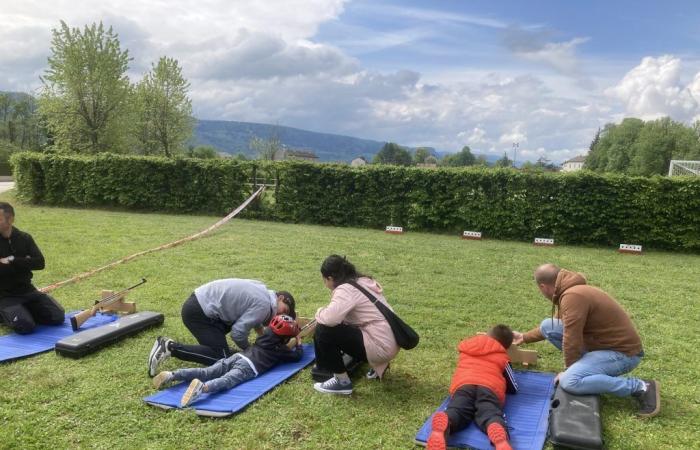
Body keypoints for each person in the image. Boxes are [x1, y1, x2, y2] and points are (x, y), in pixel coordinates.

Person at [512, 263, 660, 417]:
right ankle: (585, 371)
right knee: (548, 326)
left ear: (543, 287)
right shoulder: (570, 291)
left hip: (623, 354)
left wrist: (568, 371)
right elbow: (557, 325)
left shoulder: (572, 296)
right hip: (602, 347)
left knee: (570, 382)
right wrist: (523, 337)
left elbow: (571, 338)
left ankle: (641, 387)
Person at [148, 278, 295, 376]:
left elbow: (254, 318)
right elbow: (237, 333)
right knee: (220, 356)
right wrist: (250, 350)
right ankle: (169, 347)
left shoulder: (263, 293)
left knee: (226, 354)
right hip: (199, 313)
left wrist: (262, 336)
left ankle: (216, 349)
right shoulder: (264, 305)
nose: (281, 315)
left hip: (201, 306)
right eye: (285, 311)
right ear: (280, 298)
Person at [152, 314, 303, 407]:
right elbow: (297, 357)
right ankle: (203, 388)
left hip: (238, 356)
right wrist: (299, 343)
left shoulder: (263, 335)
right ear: (284, 338)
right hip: (249, 367)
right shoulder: (280, 349)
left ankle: (173, 375)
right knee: (227, 380)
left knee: (207, 371)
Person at [312, 255, 399, 395]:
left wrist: (319, 311)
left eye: (324, 279)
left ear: (329, 278)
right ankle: (378, 366)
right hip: (392, 339)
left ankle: (342, 382)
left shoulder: (345, 290)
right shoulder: (363, 281)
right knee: (344, 324)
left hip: (381, 346)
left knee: (323, 330)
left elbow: (329, 319)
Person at [427, 325, 516, 450]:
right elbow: (512, 386)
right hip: (489, 388)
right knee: (489, 412)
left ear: (487, 334)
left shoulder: (468, 348)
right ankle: (495, 427)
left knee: (459, 409)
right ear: (505, 346)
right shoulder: (502, 356)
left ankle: (447, 420)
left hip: (464, 384)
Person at [0, 202, 64, 334]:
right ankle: (7, 313)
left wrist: (13, 260)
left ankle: (22, 311)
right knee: (25, 326)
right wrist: (26, 261)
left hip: (28, 291)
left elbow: (40, 263)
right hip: (5, 296)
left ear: (10, 219)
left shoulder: (24, 238)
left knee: (57, 316)